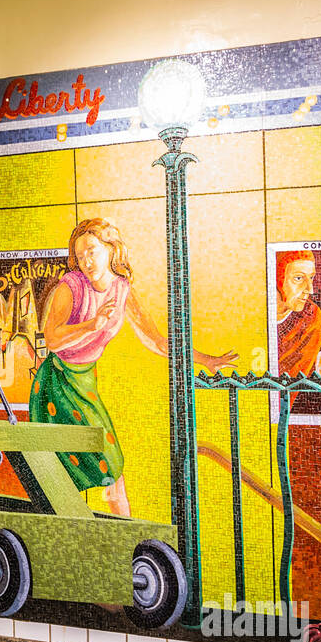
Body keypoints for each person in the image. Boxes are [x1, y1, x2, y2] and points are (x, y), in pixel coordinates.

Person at [30, 219, 237, 517]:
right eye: (81, 255)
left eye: (92, 251)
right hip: (57, 383)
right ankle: (117, 531)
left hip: (85, 381)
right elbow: (52, 339)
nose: (87, 260)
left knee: (107, 462)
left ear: (110, 249)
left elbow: (156, 341)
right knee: (96, 461)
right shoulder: (71, 286)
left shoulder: (121, 289)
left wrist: (204, 359)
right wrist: (92, 324)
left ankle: (126, 533)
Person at [276, 249, 321, 376]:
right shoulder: (256, 309)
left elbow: (295, 379)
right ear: (277, 279)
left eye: (311, 277)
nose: (310, 289)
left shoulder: (311, 316)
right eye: (298, 278)